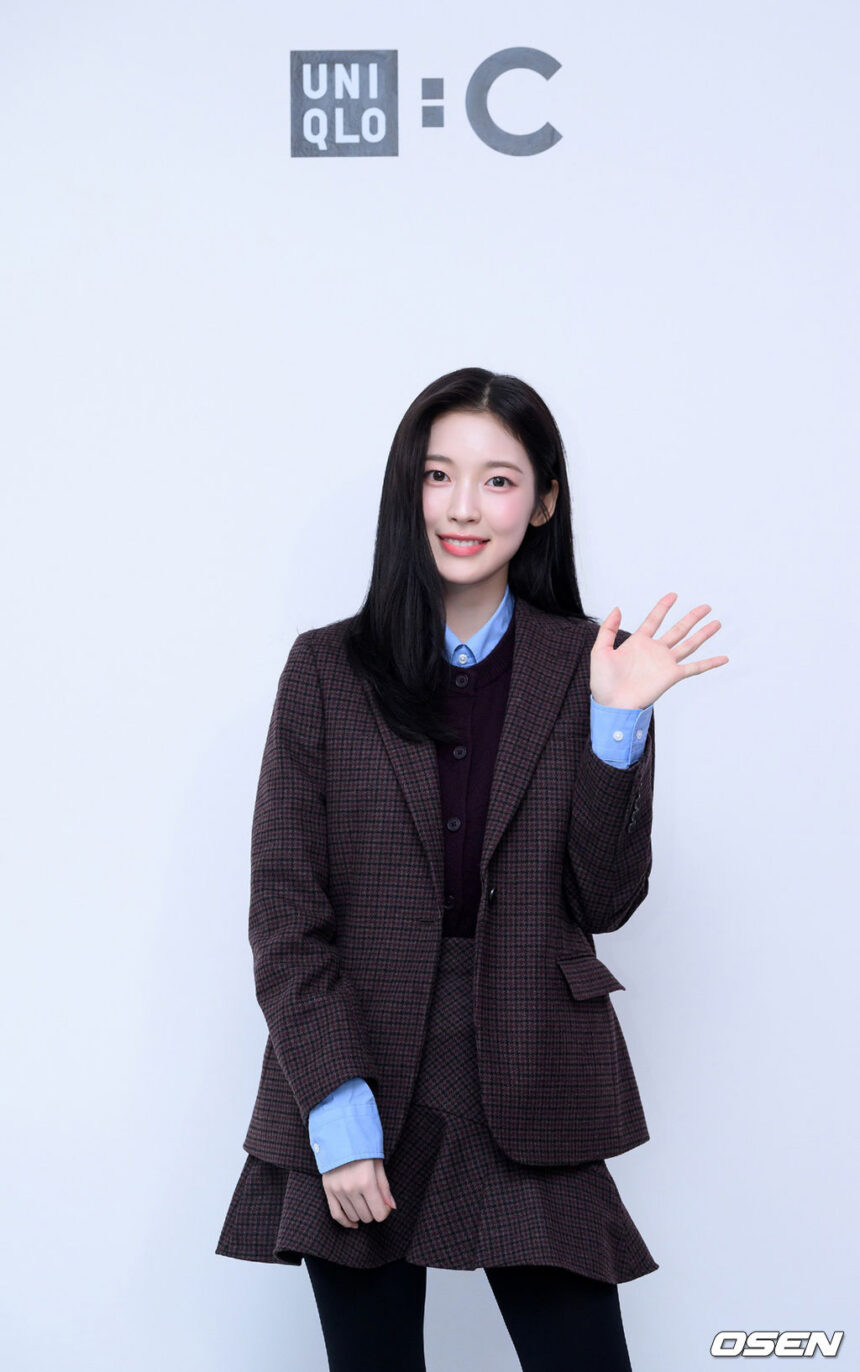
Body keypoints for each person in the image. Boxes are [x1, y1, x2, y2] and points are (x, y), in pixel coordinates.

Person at [216, 366, 728, 1371]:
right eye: (438, 474)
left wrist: (617, 725)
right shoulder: (325, 668)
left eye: (497, 480)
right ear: (407, 490)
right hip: (358, 1063)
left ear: (541, 503)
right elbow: (285, 914)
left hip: (531, 1067)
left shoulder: (597, 663)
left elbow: (604, 899)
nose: (462, 507)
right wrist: (337, 1110)